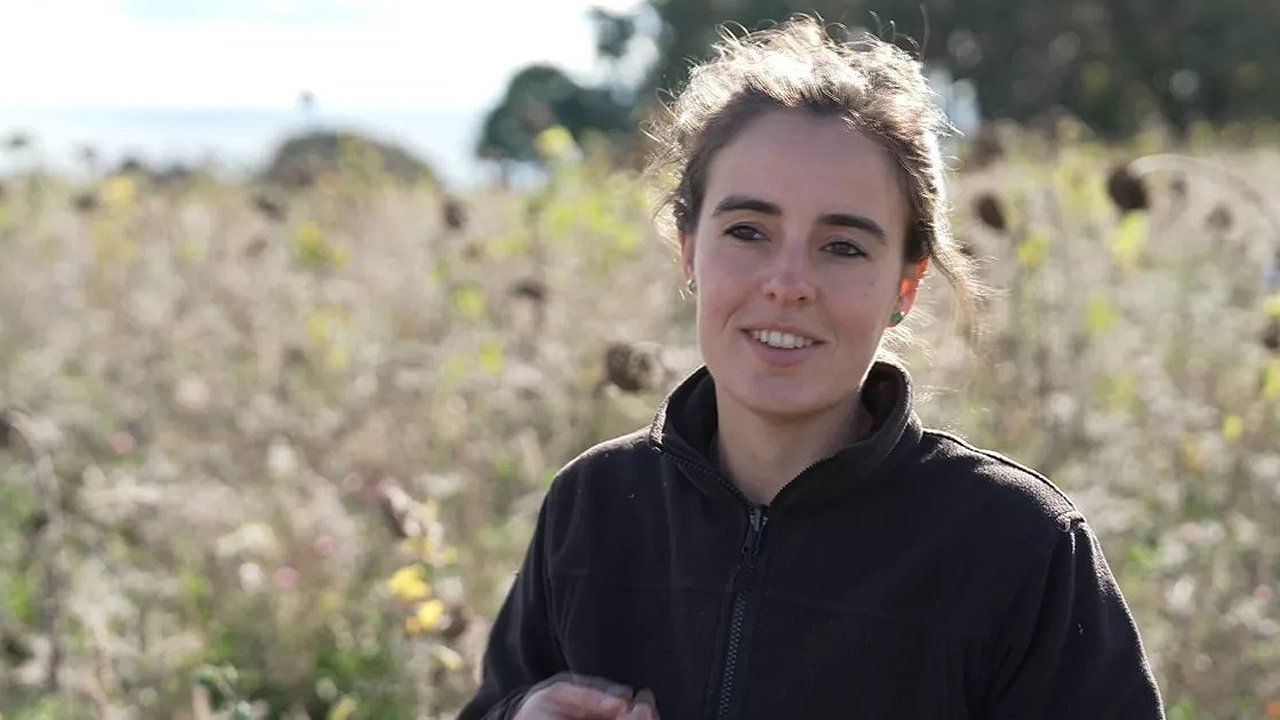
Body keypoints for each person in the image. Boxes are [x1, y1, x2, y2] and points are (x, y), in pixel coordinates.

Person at [459, 15, 1165, 720]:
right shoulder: (593, 509)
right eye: (747, 232)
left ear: (905, 285)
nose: (788, 281)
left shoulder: (1019, 546)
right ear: (688, 251)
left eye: (844, 247)